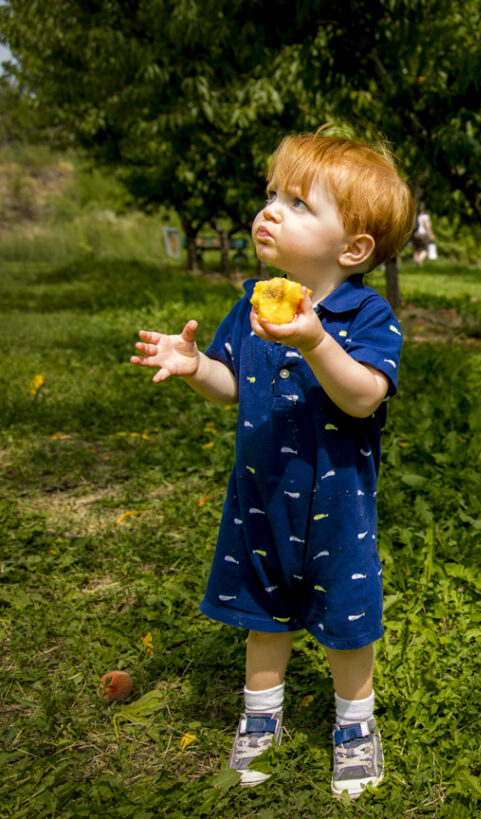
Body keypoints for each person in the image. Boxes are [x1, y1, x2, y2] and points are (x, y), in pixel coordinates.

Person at [129, 127, 414, 799]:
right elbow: (234, 382)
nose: (270, 211)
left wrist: (314, 340)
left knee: (347, 625)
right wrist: (195, 366)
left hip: (338, 511)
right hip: (260, 500)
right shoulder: (254, 302)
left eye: (297, 203)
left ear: (353, 248)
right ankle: (261, 718)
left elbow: (364, 394)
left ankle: (355, 725)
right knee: (263, 615)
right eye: (271, 195)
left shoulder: (365, 315)